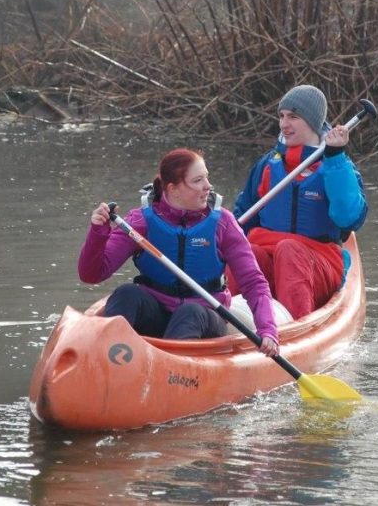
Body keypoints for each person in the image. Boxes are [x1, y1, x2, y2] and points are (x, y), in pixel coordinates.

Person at [78, 148, 280, 357]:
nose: (208, 187)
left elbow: (253, 282)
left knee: (189, 312)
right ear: (173, 189)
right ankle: (106, 359)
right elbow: (91, 274)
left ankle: (169, 374)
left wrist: (268, 329)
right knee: (127, 294)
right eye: (198, 180)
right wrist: (98, 232)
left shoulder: (223, 223)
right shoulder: (140, 221)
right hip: (157, 313)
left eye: (207, 178)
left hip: (204, 317)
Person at [228, 84, 368, 320]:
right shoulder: (267, 165)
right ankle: (223, 323)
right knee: (246, 252)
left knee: (289, 250)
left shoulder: (336, 165)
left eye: (293, 117)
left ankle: (294, 329)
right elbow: (242, 220)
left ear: (313, 122)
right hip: (272, 255)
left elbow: (349, 219)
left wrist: (335, 158)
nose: (284, 124)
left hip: (319, 262)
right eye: (281, 116)